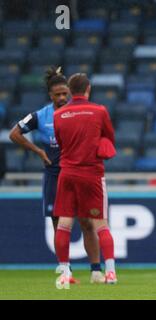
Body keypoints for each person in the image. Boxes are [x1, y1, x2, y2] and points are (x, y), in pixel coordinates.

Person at [9, 67, 104, 284]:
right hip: (54, 175)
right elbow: (14, 133)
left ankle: (96, 270)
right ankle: (65, 271)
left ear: (70, 92)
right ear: (50, 95)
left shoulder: (79, 112)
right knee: (58, 223)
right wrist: (39, 151)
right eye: (57, 95)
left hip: (78, 173)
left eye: (64, 94)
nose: (61, 98)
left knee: (87, 222)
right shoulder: (40, 116)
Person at [53, 73, 117, 287]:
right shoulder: (99, 111)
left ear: (70, 91)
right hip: (92, 173)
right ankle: (110, 273)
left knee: (64, 224)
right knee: (100, 224)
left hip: (67, 173)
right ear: (88, 89)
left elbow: (61, 143)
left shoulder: (59, 114)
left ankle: (64, 274)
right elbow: (110, 136)